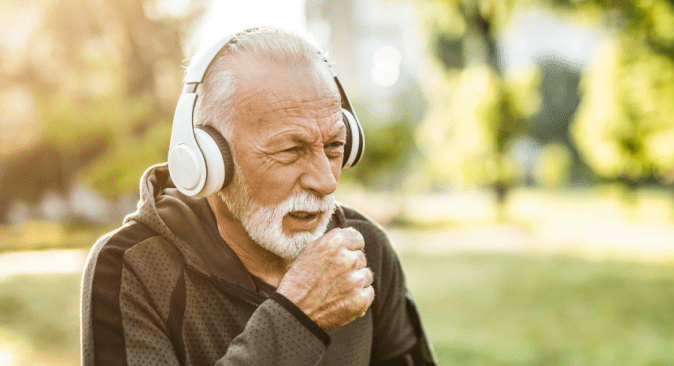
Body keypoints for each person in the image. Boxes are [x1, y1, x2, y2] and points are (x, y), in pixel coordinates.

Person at [79, 27, 436, 365]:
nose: (326, 182)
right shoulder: (129, 268)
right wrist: (296, 319)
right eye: (290, 150)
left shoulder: (365, 247)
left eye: (334, 145)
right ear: (208, 159)